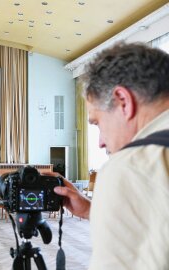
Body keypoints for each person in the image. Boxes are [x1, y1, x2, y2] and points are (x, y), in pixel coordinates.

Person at [53, 43, 169, 269]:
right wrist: (92, 210)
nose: (101, 141)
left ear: (123, 102)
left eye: (97, 123)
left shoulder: (128, 168)